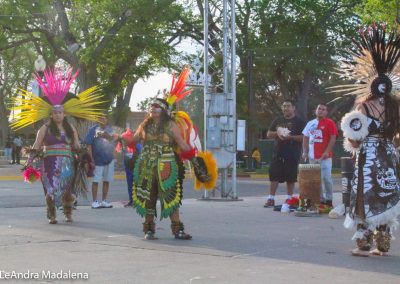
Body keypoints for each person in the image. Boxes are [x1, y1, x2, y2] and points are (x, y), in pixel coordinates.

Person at [9, 67, 105, 224]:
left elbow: (76, 146)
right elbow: (36, 145)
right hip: (48, 164)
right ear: (51, 114)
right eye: (55, 112)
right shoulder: (44, 128)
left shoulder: (71, 128)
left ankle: (68, 212)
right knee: (50, 192)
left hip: (68, 164)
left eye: (60, 112)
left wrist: (85, 157)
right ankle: (51, 213)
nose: (58, 115)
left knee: (68, 193)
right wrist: (29, 163)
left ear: (64, 114)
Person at [336, 25, 400, 256]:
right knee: (381, 191)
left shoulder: (369, 106)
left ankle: (369, 238)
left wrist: (355, 143)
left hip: (373, 156)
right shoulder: (390, 107)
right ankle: (378, 237)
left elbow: (354, 138)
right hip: (384, 155)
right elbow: (355, 133)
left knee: (369, 192)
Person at [264, 100, 305, 208]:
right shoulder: (278, 120)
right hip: (278, 152)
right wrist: (278, 133)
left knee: (290, 177)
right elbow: (268, 134)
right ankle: (271, 199)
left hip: (292, 152)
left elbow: (304, 138)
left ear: (293, 108)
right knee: (274, 175)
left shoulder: (299, 121)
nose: (285, 108)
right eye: (284, 106)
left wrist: (290, 137)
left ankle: (289, 198)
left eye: (288, 106)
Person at [302, 104, 338, 213]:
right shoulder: (310, 123)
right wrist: (305, 152)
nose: (321, 111)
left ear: (326, 112)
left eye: (323, 109)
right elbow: (305, 138)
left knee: (326, 179)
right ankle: (320, 200)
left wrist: (326, 152)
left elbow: (333, 138)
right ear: (315, 111)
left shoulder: (329, 123)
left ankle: (329, 200)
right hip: (312, 157)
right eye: (319, 109)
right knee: (315, 180)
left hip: (325, 158)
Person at [84, 114, 117, 209]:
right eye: (99, 118)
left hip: (109, 159)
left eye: (104, 117)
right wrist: (91, 159)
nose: (102, 119)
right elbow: (88, 145)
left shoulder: (110, 130)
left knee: (107, 180)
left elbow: (115, 142)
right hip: (97, 160)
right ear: (96, 119)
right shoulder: (93, 130)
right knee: (96, 181)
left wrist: (114, 155)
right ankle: (94, 202)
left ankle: (104, 201)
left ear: (107, 119)